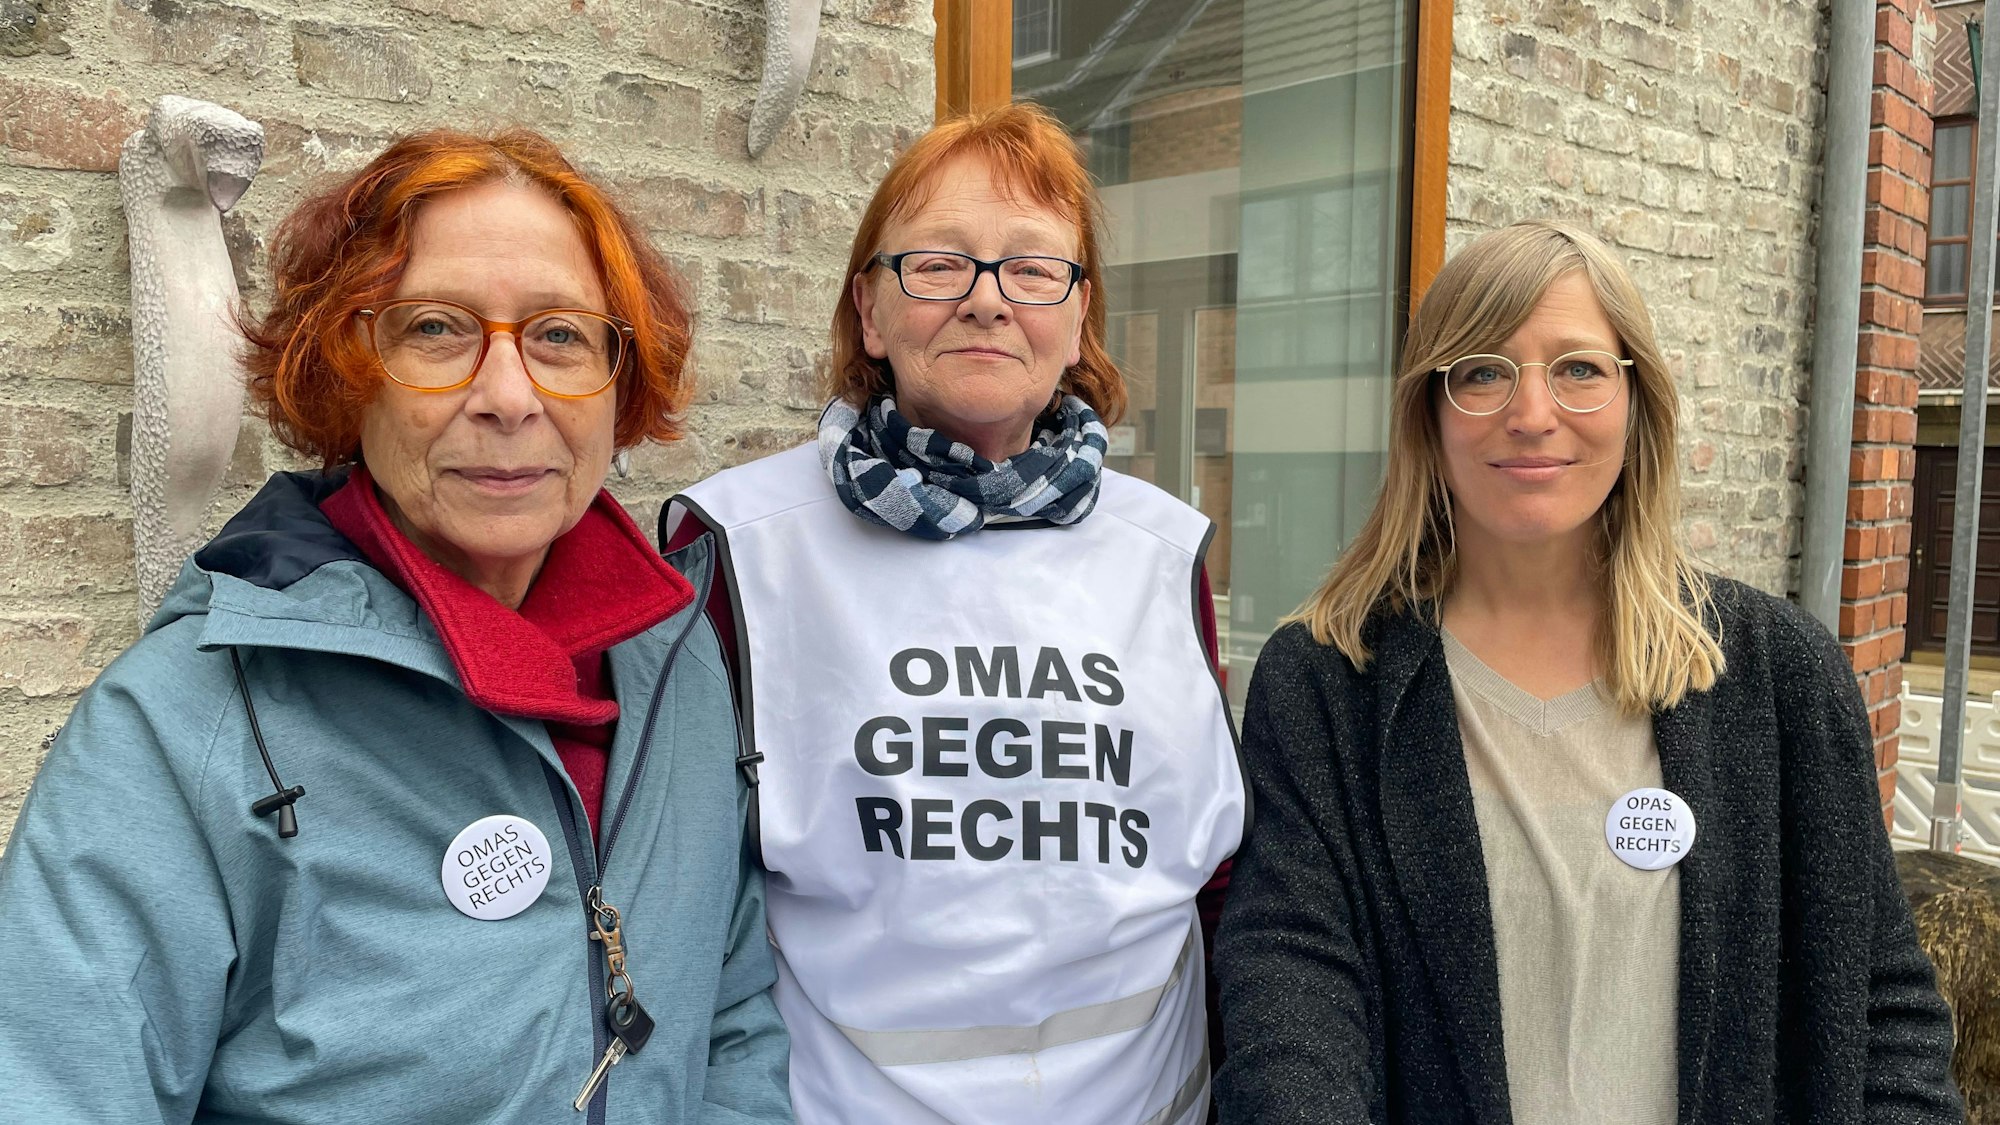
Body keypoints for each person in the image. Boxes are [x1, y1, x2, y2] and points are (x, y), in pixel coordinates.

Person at [0, 129, 791, 1123]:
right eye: (434, 330)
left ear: (619, 384)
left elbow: (728, 1006)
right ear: (344, 369)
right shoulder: (185, 722)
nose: (508, 397)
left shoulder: (677, 663)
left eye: (558, 336)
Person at [1213, 219, 1962, 1124]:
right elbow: (1290, 997)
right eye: (1483, 371)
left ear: (1636, 401)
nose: (1532, 414)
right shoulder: (1330, 683)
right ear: (1430, 413)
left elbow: (1883, 1018)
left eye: (1579, 368)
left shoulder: (1775, 675)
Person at [661, 102, 1245, 1124]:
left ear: (1077, 321)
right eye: (935, 264)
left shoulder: (1165, 553)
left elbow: (1218, 873)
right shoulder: (734, 548)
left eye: (1030, 269)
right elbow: (680, 896)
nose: (985, 302)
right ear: (869, 311)